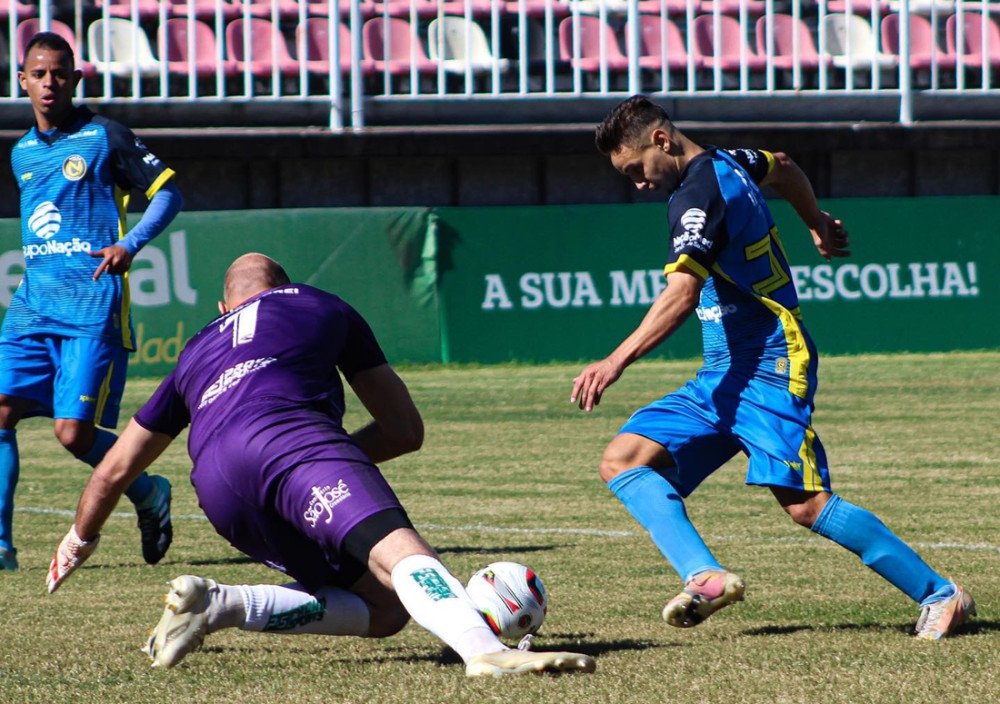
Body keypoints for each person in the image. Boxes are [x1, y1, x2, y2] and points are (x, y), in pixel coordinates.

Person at [46, 253, 596, 678]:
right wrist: (329, 465)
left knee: (383, 610)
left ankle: (221, 604)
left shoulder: (193, 352)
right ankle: (484, 650)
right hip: (293, 441)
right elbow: (405, 430)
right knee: (399, 552)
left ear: (221, 309)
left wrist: (79, 540)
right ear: (286, 287)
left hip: (219, 488)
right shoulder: (318, 304)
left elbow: (113, 469)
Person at [570, 95, 975, 640]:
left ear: (661, 141)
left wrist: (614, 361)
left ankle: (940, 594)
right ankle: (704, 574)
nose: (639, 185)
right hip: (722, 371)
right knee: (623, 460)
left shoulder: (695, 195)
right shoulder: (731, 160)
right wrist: (817, 221)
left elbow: (682, 293)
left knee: (806, 506)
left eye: (636, 170)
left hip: (768, 364)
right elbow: (781, 164)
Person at [0, 32, 182, 571]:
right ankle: (2, 545)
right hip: (32, 307)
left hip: (90, 310)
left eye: (60, 73)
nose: (49, 82)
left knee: (73, 434)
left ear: (76, 80)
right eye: (39, 73)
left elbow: (169, 192)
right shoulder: (21, 152)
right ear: (23, 81)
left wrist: (130, 244)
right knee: (1, 412)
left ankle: (148, 492)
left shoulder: (106, 137)